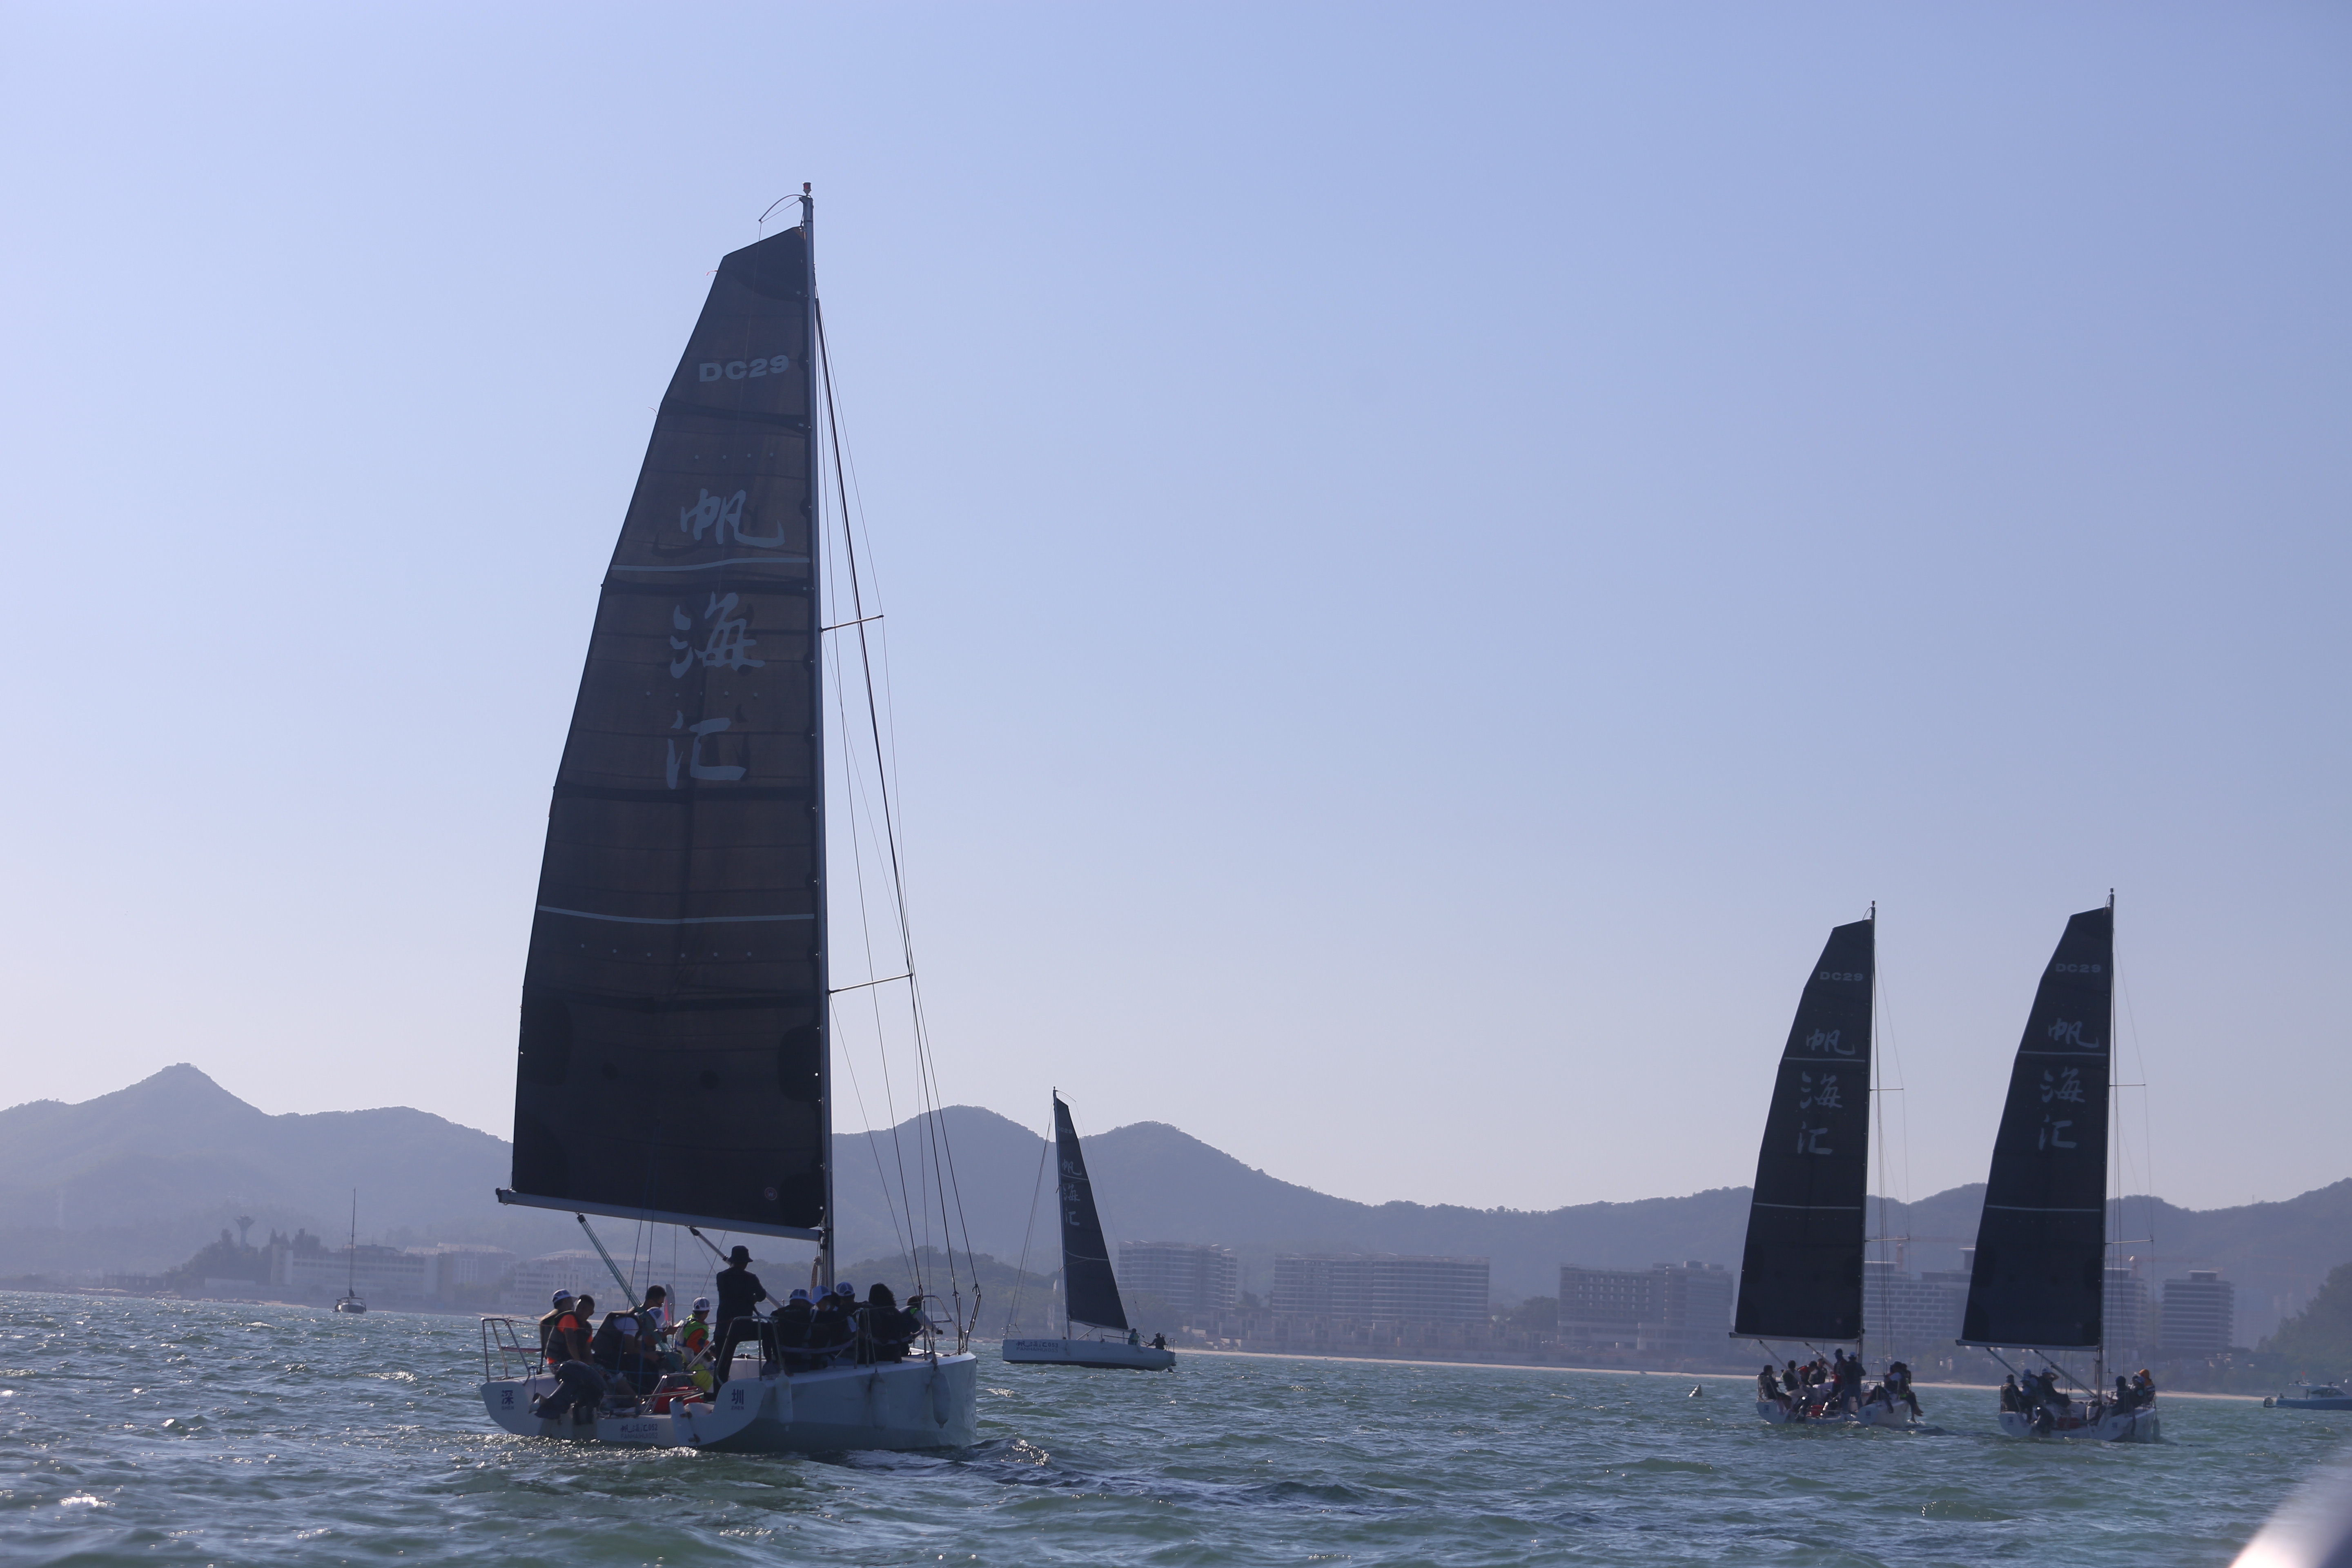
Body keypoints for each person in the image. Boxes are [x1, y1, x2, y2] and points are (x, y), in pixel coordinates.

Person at [711, 1246, 771, 1387]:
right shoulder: (751, 1278)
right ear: (745, 1263)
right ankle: (771, 1362)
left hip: (723, 1329)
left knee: (722, 1367)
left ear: (733, 1261)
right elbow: (762, 1295)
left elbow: (731, 1295)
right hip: (744, 1327)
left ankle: (718, 1396)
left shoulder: (721, 1276)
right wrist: (752, 1299)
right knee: (771, 1330)